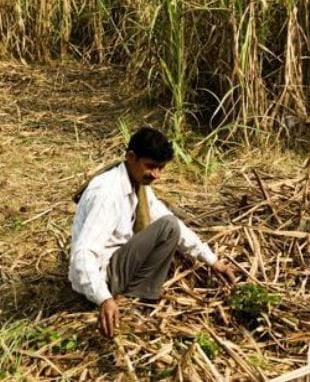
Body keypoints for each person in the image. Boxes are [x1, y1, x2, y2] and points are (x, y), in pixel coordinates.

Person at [69, 126, 236, 337]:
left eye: (161, 168)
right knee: (168, 228)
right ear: (130, 157)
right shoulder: (107, 193)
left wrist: (212, 260)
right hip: (103, 273)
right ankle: (134, 296)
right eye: (150, 166)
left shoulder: (138, 183)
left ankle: (133, 294)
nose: (155, 175)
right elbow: (83, 253)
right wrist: (104, 298)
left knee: (170, 226)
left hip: (117, 262)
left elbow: (166, 218)